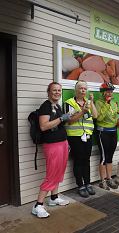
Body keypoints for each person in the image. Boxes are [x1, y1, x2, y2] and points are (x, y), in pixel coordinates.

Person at [32, 82, 71, 218]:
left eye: (59, 90)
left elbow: (60, 124)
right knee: (52, 174)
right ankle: (38, 205)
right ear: (48, 92)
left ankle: (54, 198)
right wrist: (61, 118)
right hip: (52, 145)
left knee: (59, 171)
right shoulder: (46, 106)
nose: (57, 92)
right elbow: (43, 126)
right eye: (54, 90)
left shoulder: (57, 106)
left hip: (62, 143)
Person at [64, 80, 98, 198]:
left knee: (86, 160)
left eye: (84, 88)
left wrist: (91, 102)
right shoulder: (69, 102)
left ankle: (88, 183)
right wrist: (82, 111)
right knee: (78, 160)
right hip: (75, 136)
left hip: (87, 136)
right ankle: (80, 185)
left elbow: (95, 115)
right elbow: (69, 119)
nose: (83, 90)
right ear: (76, 90)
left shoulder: (88, 102)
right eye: (80, 88)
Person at [95, 82, 119, 190]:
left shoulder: (114, 103)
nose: (109, 93)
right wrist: (106, 103)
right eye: (107, 91)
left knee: (110, 156)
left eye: (111, 91)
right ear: (102, 92)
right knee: (103, 157)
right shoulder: (98, 102)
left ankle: (109, 178)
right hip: (103, 132)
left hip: (113, 131)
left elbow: (118, 114)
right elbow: (99, 118)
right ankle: (102, 181)